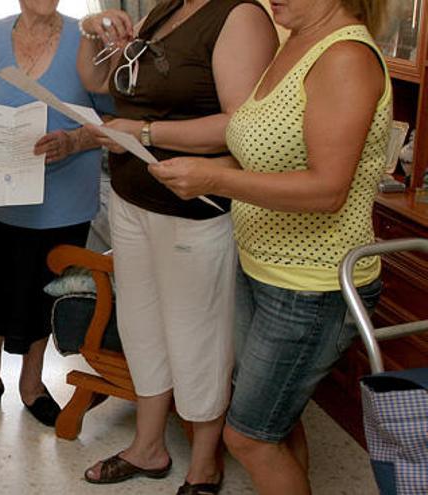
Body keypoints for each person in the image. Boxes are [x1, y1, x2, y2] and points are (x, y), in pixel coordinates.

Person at [149, 1, 390, 493]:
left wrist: (215, 178)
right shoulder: (295, 43)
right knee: (277, 423)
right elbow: (270, 155)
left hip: (312, 287)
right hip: (263, 267)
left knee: (248, 438)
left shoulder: (345, 56)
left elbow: (328, 190)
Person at [76, 1, 277, 492]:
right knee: (141, 326)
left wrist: (141, 133)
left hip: (194, 210)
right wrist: (90, 31)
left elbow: (239, 126)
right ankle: (149, 447)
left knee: (197, 338)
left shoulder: (240, 16)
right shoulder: (166, 10)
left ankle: (205, 463)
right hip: (133, 198)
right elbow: (100, 82)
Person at [0, 0, 114, 428]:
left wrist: (73, 142)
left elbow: (112, 120)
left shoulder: (87, 39)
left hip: (62, 199)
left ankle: (32, 383)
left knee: (43, 291)